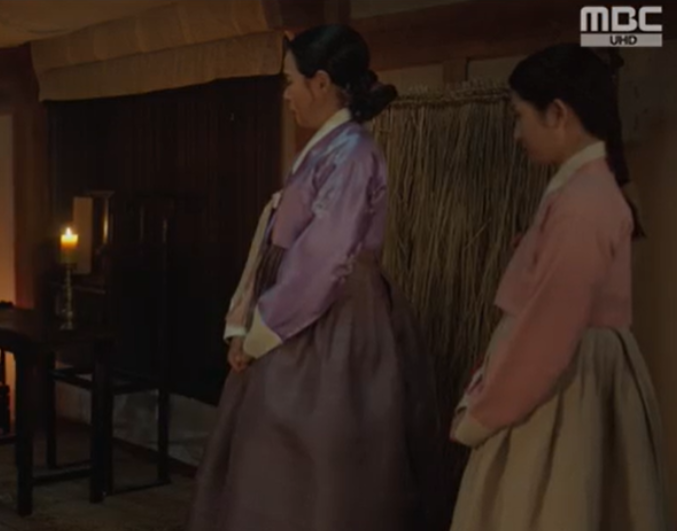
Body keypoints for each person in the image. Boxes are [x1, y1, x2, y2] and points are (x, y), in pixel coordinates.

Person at [186, 24, 441, 531]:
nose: (286, 94)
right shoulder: (328, 148)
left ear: (321, 83)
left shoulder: (353, 153)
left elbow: (324, 258)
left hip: (332, 317)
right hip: (297, 307)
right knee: (272, 454)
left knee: (319, 454)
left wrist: (262, 331)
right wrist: (246, 322)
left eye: (290, 81)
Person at [449, 44, 669, 531]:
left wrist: (483, 413)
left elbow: (549, 328)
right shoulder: (581, 191)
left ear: (557, 113)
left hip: (562, 379)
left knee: (552, 503)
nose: (516, 133)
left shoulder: (584, 201)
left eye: (520, 116)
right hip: (560, 367)